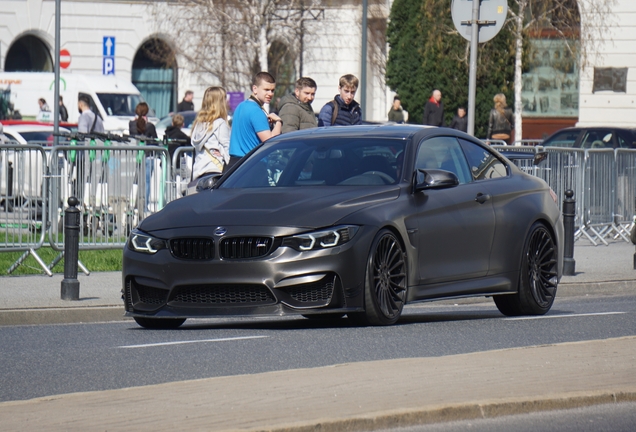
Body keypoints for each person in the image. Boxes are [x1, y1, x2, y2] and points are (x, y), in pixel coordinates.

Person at [227, 71, 282, 171]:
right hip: (251, 166)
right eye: (266, 90)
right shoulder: (256, 111)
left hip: (233, 165)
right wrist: (278, 122)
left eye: (272, 90)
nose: (270, 94)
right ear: (255, 89)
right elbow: (272, 142)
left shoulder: (241, 106)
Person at [190, 86, 230, 183]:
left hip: (199, 171)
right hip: (215, 170)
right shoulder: (220, 123)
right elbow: (227, 149)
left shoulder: (198, 124)